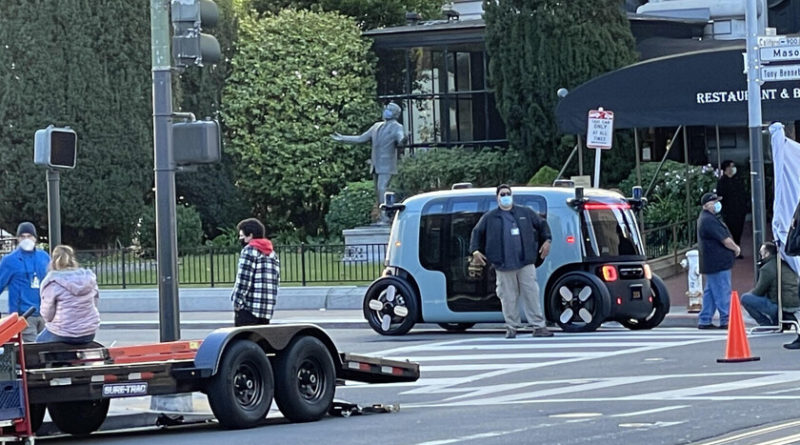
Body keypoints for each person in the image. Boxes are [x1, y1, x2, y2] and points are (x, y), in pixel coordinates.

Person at [469, 184, 553, 338]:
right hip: (503, 265)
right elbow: (477, 233)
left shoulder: (525, 213)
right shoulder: (490, 217)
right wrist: (475, 251)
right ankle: (512, 327)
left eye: (508, 193)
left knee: (531, 294)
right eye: (502, 194)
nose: (505, 196)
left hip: (526, 262)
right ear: (497, 198)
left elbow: (542, 225)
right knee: (508, 297)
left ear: (512, 196)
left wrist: (547, 241)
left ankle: (539, 326)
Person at [332, 102, 406, 223]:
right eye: (386, 108)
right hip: (376, 165)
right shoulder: (376, 126)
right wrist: (343, 138)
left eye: (390, 109)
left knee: (383, 189)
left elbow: (400, 138)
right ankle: (383, 216)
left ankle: (386, 216)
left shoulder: (397, 127)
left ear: (395, 114)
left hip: (387, 165)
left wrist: (403, 140)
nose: (386, 110)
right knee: (378, 192)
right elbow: (361, 138)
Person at [36, 245, 100, 344]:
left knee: (39, 342)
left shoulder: (52, 282)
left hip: (63, 333)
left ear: (53, 261)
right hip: (89, 331)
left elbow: (47, 315)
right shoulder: (88, 279)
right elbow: (94, 303)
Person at [696, 193, 740, 330]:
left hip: (712, 262)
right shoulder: (709, 220)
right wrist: (736, 248)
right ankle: (726, 319)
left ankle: (705, 319)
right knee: (722, 290)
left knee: (710, 292)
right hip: (717, 263)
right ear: (706, 205)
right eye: (714, 201)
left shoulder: (707, 219)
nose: (717, 204)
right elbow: (725, 240)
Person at [0, 222, 50, 342]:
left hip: (45, 313)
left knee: (47, 349)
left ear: (35, 238)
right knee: (32, 352)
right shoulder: (10, 260)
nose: (26, 239)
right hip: (24, 314)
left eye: (29, 236)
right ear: (18, 238)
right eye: (23, 236)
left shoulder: (44, 257)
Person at [231, 218, 280, 327]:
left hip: (249, 309)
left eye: (242, 236)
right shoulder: (272, 253)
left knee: (243, 342)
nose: (240, 239)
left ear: (250, 236)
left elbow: (244, 280)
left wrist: (237, 303)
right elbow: (276, 281)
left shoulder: (249, 251)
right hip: (266, 310)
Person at [740, 241, 800, 328]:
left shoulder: (767, 268)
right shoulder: (784, 263)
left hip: (780, 305)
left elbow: (758, 292)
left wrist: (751, 293)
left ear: (767, 253)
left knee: (745, 298)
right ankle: (780, 321)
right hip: (794, 302)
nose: (760, 255)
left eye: (761, 253)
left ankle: (765, 324)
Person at [716, 160, 747, 257]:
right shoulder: (722, 182)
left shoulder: (738, 180)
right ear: (726, 169)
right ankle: (732, 250)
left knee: (739, 230)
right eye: (731, 166)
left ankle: (737, 249)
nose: (733, 168)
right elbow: (720, 196)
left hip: (739, 210)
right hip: (728, 211)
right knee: (730, 230)